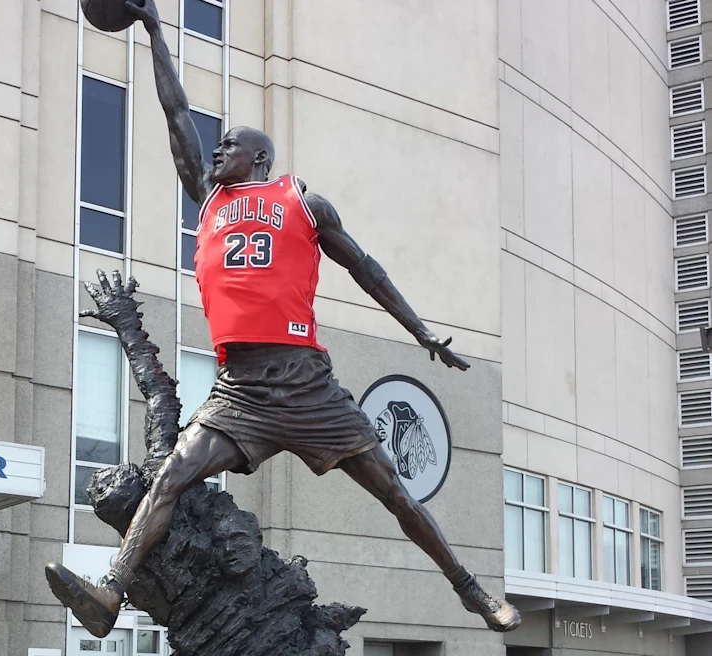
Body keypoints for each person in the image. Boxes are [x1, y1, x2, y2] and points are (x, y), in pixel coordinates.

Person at [46, 0, 521, 637]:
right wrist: (156, 31)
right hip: (240, 389)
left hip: (306, 383)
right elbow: (176, 112)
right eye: (217, 147)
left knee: (394, 492)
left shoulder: (303, 202)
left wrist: (421, 332)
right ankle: (110, 593)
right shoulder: (209, 198)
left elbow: (366, 268)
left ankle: (471, 591)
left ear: (260, 158)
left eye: (230, 147)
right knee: (171, 475)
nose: (217, 152)